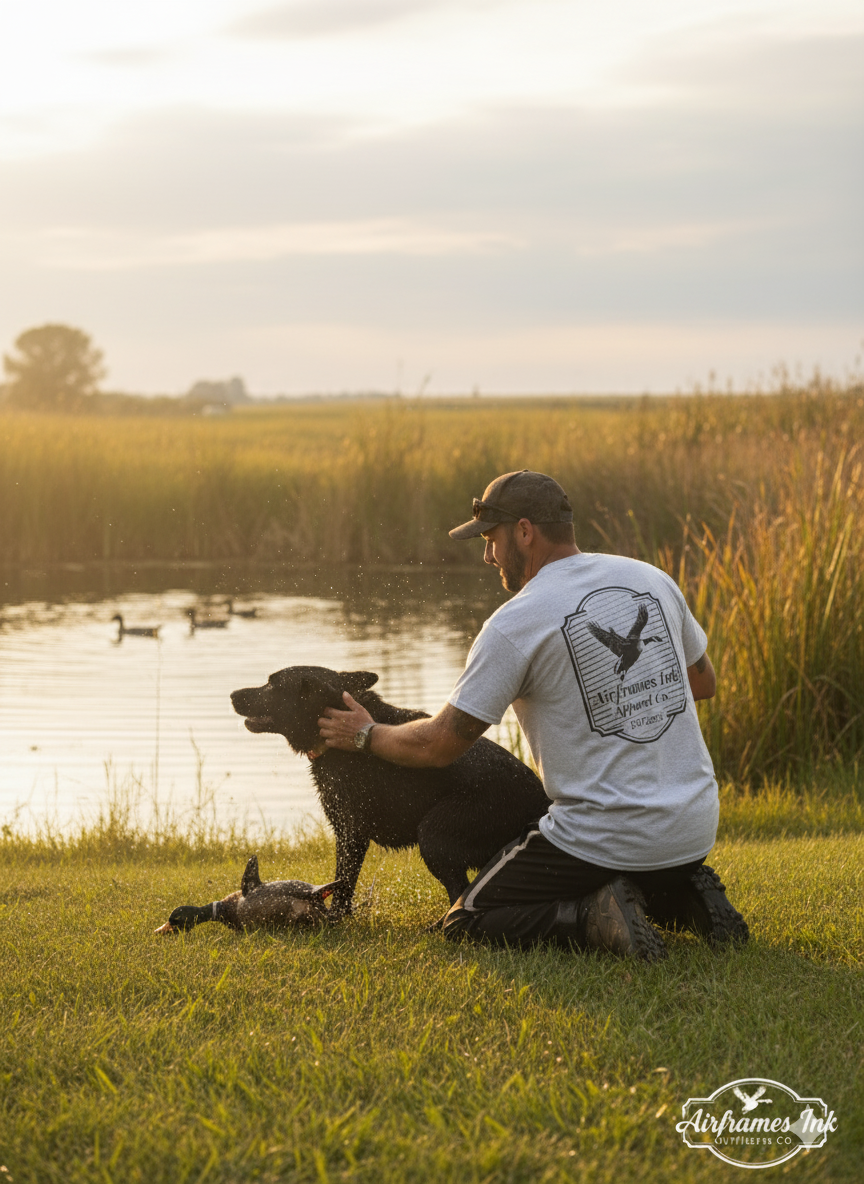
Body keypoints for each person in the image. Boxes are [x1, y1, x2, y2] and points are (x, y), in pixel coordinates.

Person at [318, 470, 749, 962]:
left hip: (603, 838)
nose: (488, 556)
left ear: (524, 532)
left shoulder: (516, 621)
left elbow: (437, 745)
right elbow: (703, 683)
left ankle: (591, 915)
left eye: (491, 539)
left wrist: (365, 734)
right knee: (622, 863)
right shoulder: (650, 579)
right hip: (692, 828)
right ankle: (686, 897)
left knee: (467, 919)